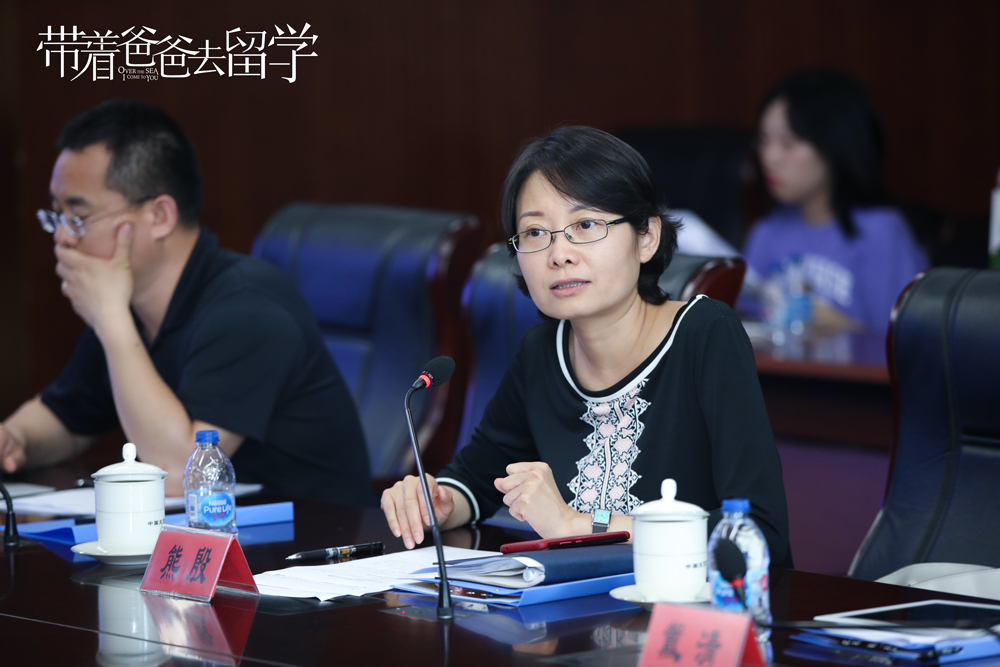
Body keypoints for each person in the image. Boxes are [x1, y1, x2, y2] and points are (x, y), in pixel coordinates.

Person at [382, 126, 792, 567]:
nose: (559, 254)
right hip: (578, 606)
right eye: (535, 232)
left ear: (646, 237)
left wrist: (576, 524)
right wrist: (440, 503)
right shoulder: (542, 352)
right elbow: (477, 478)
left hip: (694, 605)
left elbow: (756, 532)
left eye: (585, 225)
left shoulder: (705, 333)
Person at [0, 99, 373, 504]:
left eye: (77, 217)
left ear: (160, 216)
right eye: (55, 216)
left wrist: (110, 320)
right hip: (218, 536)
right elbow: (68, 419)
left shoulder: (247, 308)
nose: (62, 238)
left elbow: (184, 474)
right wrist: (15, 438)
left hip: (314, 536)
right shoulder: (129, 309)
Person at [742, 69, 929, 334]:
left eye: (788, 143)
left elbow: (902, 344)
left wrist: (833, 324)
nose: (769, 157)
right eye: (764, 140)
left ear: (833, 145)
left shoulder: (881, 233)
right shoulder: (767, 232)